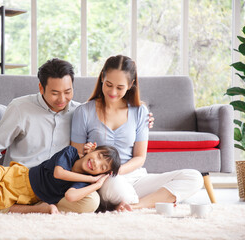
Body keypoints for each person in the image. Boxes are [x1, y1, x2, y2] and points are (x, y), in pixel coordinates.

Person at [0, 58, 154, 213]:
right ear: (41, 88)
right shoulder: (20, 108)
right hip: (18, 178)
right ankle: (23, 206)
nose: (62, 99)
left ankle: (23, 208)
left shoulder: (79, 111)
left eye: (68, 91)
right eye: (55, 93)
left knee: (91, 202)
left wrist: (143, 117)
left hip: (57, 189)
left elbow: (100, 133)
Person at [70, 55, 203, 211]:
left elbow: (139, 157)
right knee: (117, 186)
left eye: (120, 87)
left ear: (131, 84)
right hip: (106, 180)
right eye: (109, 84)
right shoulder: (84, 112)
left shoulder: (140, 111)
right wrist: (89, 155)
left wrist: (118, 170)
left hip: (135, 177)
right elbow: (76, 156)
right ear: (102, 79)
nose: (113, 92)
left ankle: (138, 205)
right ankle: (155, 199)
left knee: (194, 177)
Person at [0, 145, 120, 214]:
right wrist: (90, 179)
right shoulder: (70, 153)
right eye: (98, 156)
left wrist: (96, 184)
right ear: (92, 150)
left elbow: (71, 196)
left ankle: (20, 208)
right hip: (15, 173)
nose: (96, 163)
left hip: (18, 193)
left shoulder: (82, 183)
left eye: (103, 167)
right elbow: (59, 173)